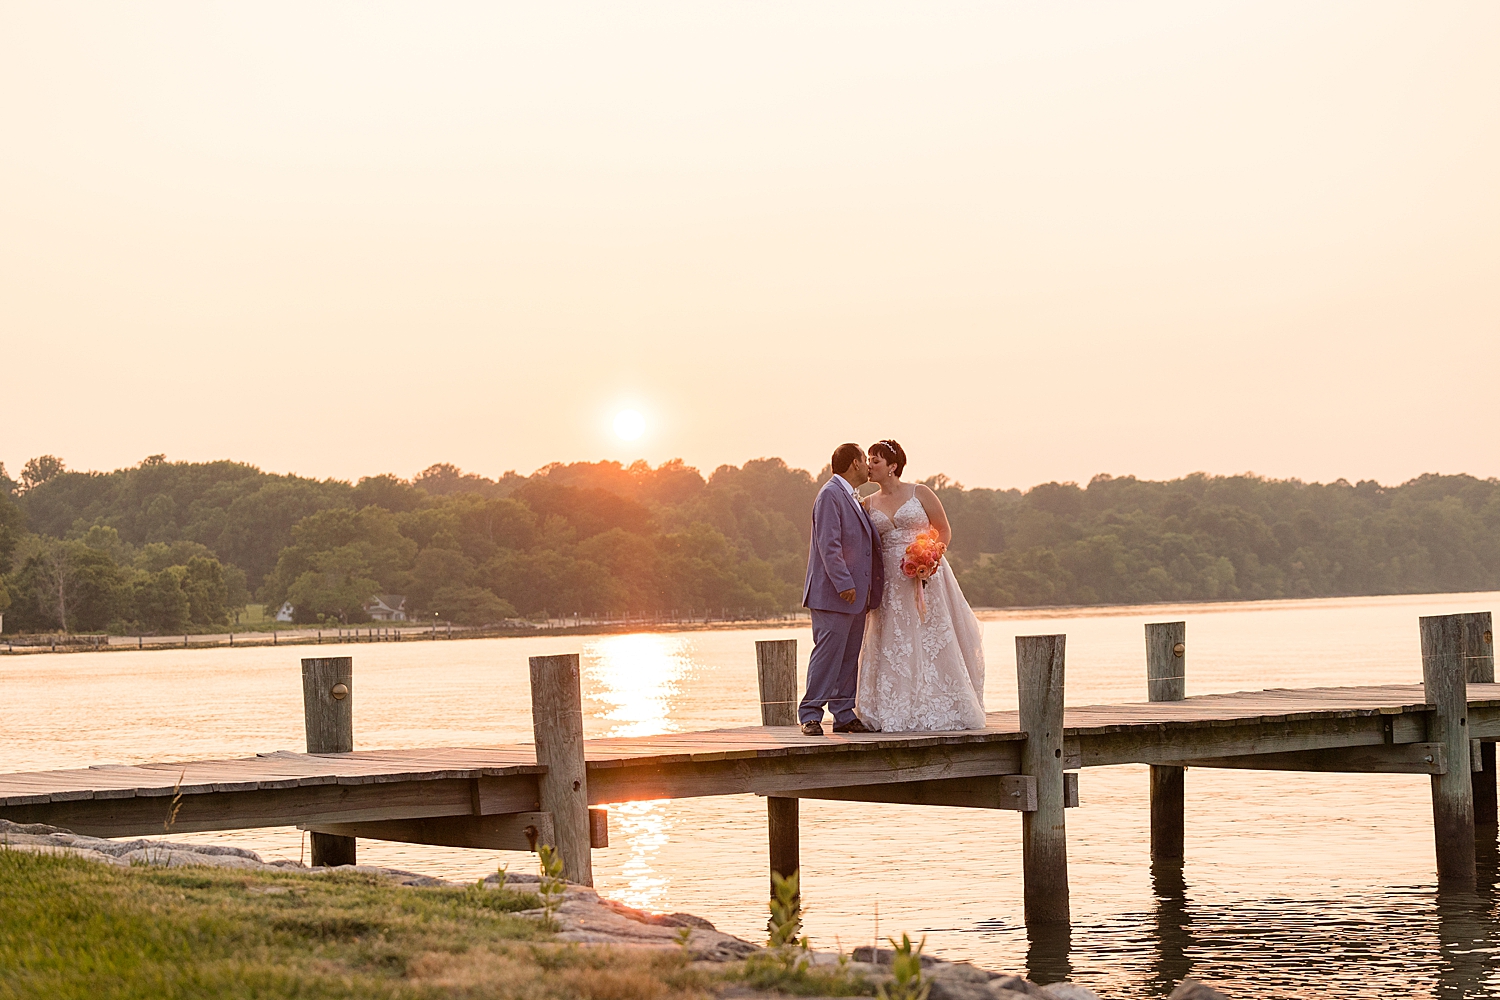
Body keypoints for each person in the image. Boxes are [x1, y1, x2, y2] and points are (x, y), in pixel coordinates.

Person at [855, 439, 986, 732]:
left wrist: (931, 554)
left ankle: (942, 702)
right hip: (889, 579)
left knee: (931, 635)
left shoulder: (920, 493)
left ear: (892, 466)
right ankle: (890, 706)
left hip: (926, 574)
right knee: (892, 637)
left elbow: (943, 530)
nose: (869, 466)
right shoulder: (867, 503)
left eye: (875, 461)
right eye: (868, 460)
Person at [798, 442, 884, 736]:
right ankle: (810, 715)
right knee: (827, 655)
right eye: (864, 459)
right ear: (854, 464)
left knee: (848, 657)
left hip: (856, 597)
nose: (868, 465)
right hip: (834, 594)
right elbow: (828, 544)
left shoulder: (849, 495)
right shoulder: (830, 495)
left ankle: (844, 714)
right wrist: (844, 583)